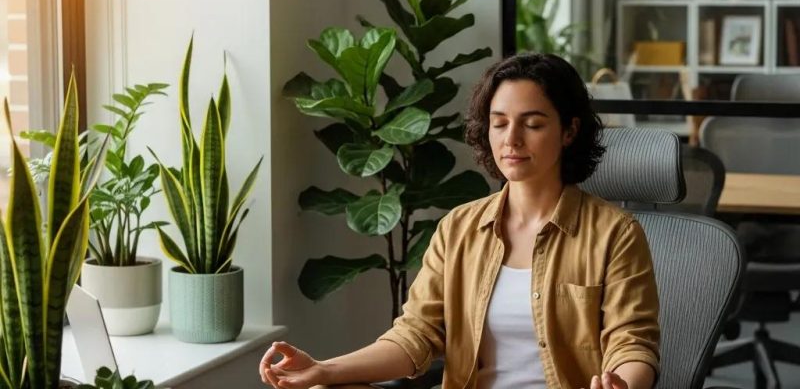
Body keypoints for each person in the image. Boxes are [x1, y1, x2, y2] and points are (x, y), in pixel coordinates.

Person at [260, 53, 660, 389]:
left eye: (533, 124)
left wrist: (622, 383)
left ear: (569, 130)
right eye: (499, 123)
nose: (511, 139)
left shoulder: (614, 233)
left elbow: (632, 343)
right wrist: (324, 370)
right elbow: (415, 335)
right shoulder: (459, 228)